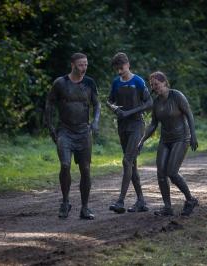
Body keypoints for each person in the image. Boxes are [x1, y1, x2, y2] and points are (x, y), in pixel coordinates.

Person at [45, 52, 101, 220]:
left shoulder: (90, 83)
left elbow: (97, 104)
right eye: (80, 65)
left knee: (85, 169)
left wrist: (96, 121)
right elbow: (49, 104)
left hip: (84, 131)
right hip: (65, 131)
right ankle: (65, 202)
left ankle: (85, 208)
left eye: (86, 64)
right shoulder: (60, 83)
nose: (83, 68)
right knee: (65, 165)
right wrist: (50, 127)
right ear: (73, 65)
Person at [138, 71, 198, 216]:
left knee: (172, 172)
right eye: (152, 85)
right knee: (161, 173)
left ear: (164, 82)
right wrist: (141, 141)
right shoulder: (156, 102)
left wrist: (193, 136)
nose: (154, 87)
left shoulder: (177, 96)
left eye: (156, 84)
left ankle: (190, 200)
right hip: (165, 139)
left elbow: (189, 115)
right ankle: (167, 207)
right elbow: (153, 124)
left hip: (181, 137)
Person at [107, 52, 152, 214]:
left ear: (128, 64)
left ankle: (120, 201)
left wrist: (130, 112)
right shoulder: (116, 83)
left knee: (127, 161)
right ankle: (141, 201)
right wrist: (114, 108)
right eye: (117, 69)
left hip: (137, 125)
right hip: (122, 125)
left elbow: (149, 102)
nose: (119, 72)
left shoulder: (138, 81)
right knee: (132, 164)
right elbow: (109, 100)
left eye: (122, 68)